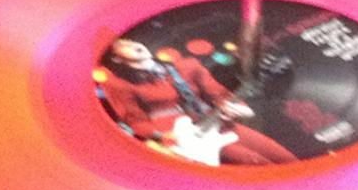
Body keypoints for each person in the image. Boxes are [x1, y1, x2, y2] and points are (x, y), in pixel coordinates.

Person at [95, 37, 296, 165]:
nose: (133, 44)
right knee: (255, 163)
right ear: (117, 59)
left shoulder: (186, 65)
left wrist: (239, 108)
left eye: (132, 41)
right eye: (123, 46)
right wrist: (163, 136)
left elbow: (216, 92)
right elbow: (136, 121)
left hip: (218, 122)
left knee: (284, 158)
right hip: (183, 137)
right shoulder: (119, 85)